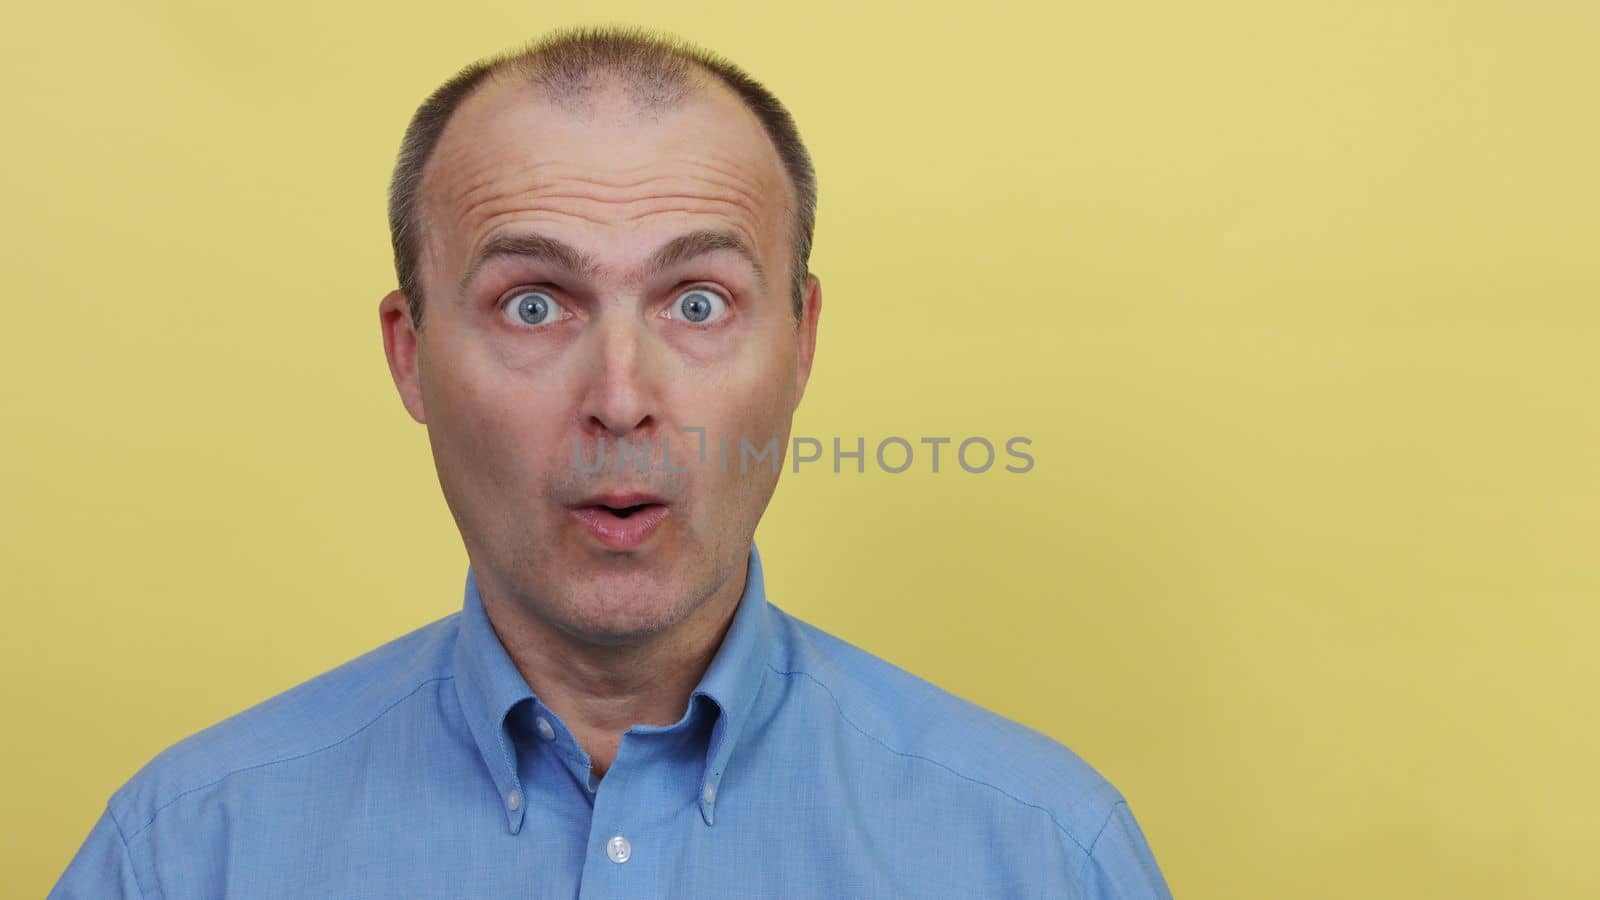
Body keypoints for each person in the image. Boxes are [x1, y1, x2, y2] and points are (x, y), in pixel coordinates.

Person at [50, 25, 1171, 898]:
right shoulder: (188, 853)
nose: (622, 399)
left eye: (697, 301)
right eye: (533, 304)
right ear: (411, 354)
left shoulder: (1041, 851)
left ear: (802, 343)